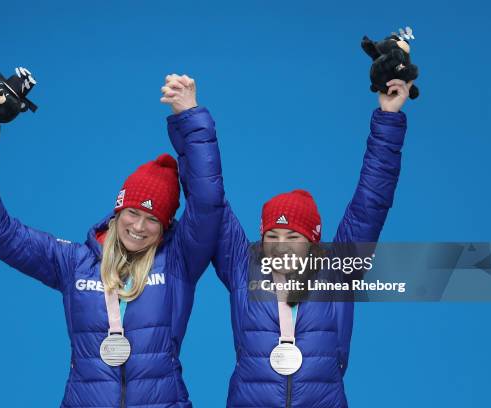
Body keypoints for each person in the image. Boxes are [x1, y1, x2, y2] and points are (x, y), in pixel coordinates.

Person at [0, 74, 224, 408]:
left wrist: (190, 116)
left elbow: (208, 200)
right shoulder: (74, 262)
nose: (139, 226)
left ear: (166, 225)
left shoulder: (179, 260)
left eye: (153, 219)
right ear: (117, 211)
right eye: (132, 213)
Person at [168, 78, 414, 407]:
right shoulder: (244, 268)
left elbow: (371, 202)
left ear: (313, 240)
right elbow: (207, 196)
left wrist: (388, 115)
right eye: (272, 236)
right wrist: (190, 116)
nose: (280, 246)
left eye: (293, 237)